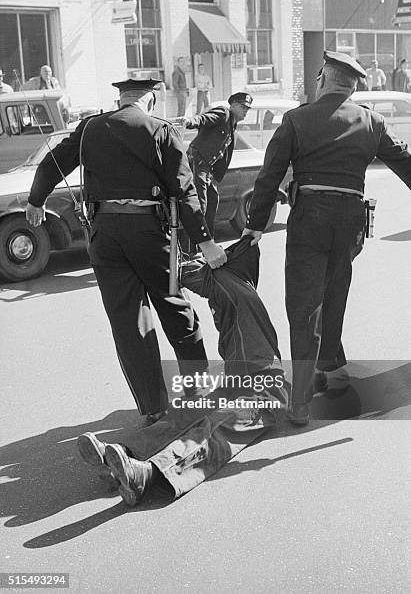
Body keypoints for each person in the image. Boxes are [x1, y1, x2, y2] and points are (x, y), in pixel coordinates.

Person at [25, 78, 227, 423]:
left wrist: (36, 201)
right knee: (175, 306)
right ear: (150, 99)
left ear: (120, 99)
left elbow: (50, 164)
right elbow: (183, 189)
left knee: (128, 321)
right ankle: (196, 391)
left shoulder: (90, 129)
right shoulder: (159, 129)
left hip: (104, 235)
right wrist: (206, 241)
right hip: (148, 231)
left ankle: (152, 408)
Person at [242, 50, 411, 426]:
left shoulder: (298, 118)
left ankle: (300, 403)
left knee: (303, 309)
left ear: (322, 79)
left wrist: (255, 225)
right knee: (335, 291)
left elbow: (269, 175)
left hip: (310, 219)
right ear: (352, 87)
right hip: (351, 222)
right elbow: (406, 162)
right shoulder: (372, 122)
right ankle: (332, 367)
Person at [77, 237, 288, 506]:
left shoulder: (235, 283)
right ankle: (120, 456)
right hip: (234, 382)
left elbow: (192, 272)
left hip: (266, 391)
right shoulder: (231, 283)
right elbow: (195, 272)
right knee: (188, 412)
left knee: (213, 430)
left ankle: (148, 472)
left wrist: (206, 247)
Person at [181, 92, 253, 250]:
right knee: (199, 205)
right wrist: (189, 122)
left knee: (212, 201)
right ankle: (191, 249)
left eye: (247, 108)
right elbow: (203, 119)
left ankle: (207, 243)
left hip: (207, 168)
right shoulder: (223, 113)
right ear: (232, 105)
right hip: (198, 162)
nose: (245, 110)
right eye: (242, 107)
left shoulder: (232, 125)